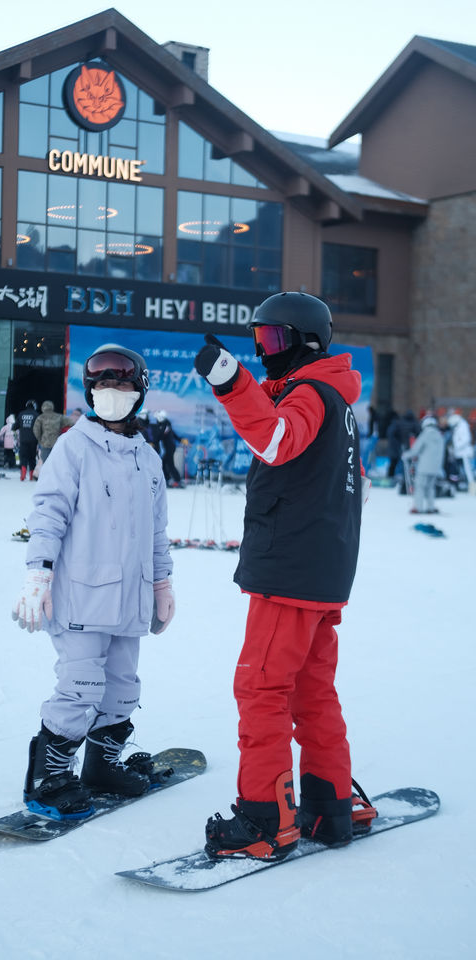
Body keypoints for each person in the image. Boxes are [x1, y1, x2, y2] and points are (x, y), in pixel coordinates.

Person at [193, 291, 376, 863]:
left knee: (261, 688)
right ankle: (330, 803)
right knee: (310, 690)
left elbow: (275, 441)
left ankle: (264, 818)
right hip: (321, 573)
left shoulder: (311, 396)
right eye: (258, 341)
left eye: (273, 341)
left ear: (305, 343)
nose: (264, 351)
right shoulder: (337, 401)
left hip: (292, 576)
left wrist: (231, 383)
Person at [11, 343, 175, 820]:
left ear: (139, 392)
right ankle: (48, 775)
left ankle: (102, 765)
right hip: (81, 596)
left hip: (130, 600)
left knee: (122, 688)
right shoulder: (74, 447)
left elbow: (157, 533)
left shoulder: (147, 458)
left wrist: (162, 586)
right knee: (80, 686)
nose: (111, 393)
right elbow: (49, 514)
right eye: (101, 385)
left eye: (122, 384)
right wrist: (38, 571)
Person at [402, 415, 445, 514]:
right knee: (430, 487)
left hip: (424, 467)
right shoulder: (440, 436)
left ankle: (418, 507)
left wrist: (406, 455)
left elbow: (416, 450)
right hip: (436, 467)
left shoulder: (425, 434)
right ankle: (430, 507)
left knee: (420, 487)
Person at [153, 411, 185, 486]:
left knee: (170, 464)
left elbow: (160, 436)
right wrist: (180, 440)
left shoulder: (165, 426)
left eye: (158, 418)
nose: (157, 420)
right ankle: (167, 479)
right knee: (164, 463)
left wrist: (153, 441)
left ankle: (178, 480)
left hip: (169, 448)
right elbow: (173, 434)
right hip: (168, 448)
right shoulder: (166, 425)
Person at [446, 409, 475, 493]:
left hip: (465, 453)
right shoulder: (457, 426)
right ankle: (462, 485)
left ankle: (472, 487)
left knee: (468, 471)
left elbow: (466, 439)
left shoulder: (463, 426)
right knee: (459, 470)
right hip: (459, 454)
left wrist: (456, 447)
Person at [14, 400, 39, 481]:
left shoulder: (21, 414)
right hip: (33, 440)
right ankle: (31, 475)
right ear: (34, 406)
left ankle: (23, 475)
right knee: (32, 458)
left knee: (23, 457)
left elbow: (14, 427)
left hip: (23, 439)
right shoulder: (36, 415)